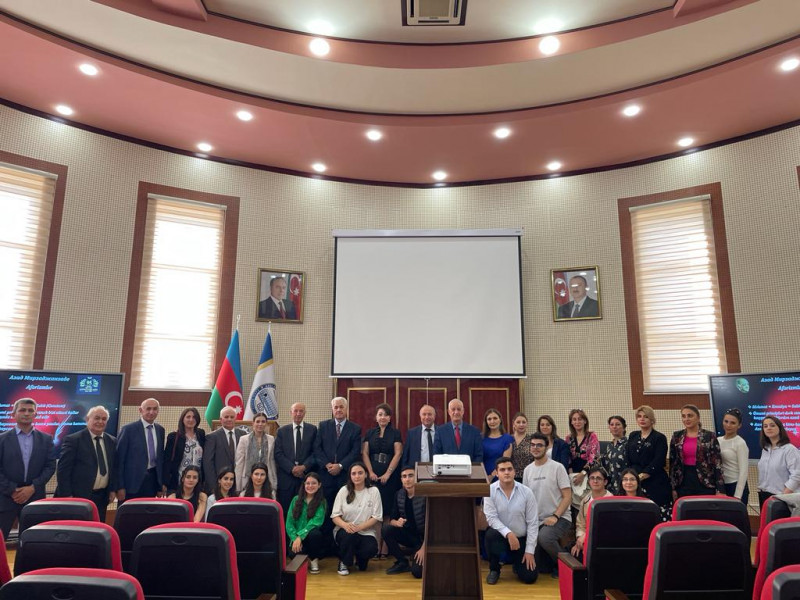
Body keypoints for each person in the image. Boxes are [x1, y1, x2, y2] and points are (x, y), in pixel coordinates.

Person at [0, 398, 56, 538]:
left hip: (34, 496)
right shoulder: (2, 439)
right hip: (6, 498)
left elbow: (50, 466)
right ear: (13, 414)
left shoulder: (46, 439)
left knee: (33, 540)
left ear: (35, 415)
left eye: (30, 410)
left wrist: (32, 488)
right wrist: (12, 490)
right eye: (22, 410)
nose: (26, 413)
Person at [55, 405, 117, 522]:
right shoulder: (73, 440)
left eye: (104, 419)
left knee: (96, 531)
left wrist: (112, 490)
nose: (100, 421)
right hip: (77, 497)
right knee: (77, 531)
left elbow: (113, 468)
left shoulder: (112, 441)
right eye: (97, 418)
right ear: (88, 419)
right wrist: (67, 496)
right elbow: (63, 470)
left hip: (102, 497)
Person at [522, 432, 572, 578]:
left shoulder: (557, 467)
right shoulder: (527, 470)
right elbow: (527, 499)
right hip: (537, 521)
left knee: (544, 537)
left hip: (560, 517)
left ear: (546, 447)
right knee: (535, 570)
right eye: (532, 445)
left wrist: (555, 516)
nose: (535, 448)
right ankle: (550, 562)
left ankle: (564, 565)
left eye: (539, 445)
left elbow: (567, 496)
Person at [483, 457, 539, 585]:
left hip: (520, 540)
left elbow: (533, 523)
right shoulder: (489, 491)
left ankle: (517, 565)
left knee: (530, 578)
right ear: (497, 473)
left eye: (509, 469)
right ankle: (494, 569)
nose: (506, 472)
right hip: (500, 538)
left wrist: (530, 551)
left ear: (514, 472)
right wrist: (509, 533)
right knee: (491, 534)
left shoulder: (527, 492)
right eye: (502, 470)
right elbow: (491, 518)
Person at [314, 397, 362, 532]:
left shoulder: (355, 428)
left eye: (341, 407)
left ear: (346, 409)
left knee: (344, 511)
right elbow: (317, 449)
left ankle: (341, 545)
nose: (339, 410)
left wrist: (340, 466)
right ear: (332, 409)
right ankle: (326, 546)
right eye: (336, 407)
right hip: (326, 476)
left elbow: (355, 452)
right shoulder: (323, 426)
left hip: (344, 477)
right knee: (326, 510)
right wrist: (327, 465)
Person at [362, 403, 402, 556]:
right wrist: (370, 472)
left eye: (385, 414)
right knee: (374, 512)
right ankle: (375, 546)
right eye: (380, 414)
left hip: (389, 477)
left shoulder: (395, 433)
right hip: (372, 476)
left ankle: (385, 548)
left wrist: (388, 474)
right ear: (376, 417)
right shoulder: (370, 433)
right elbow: (365, 453)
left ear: (390, 418)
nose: (382, 417)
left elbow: (398, 453)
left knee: (386, 512)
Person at [331, 462, 383, 576]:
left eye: (360, 473)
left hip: (365, 531)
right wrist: (346, 526)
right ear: (350, 476)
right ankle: (344, 562)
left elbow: (376, 517)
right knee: (349, 536)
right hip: (345, 530)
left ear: (366, 475)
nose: (357, 476)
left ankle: (360, 559)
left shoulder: (373, 491)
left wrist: (359, 527)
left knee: (371, 549)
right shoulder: (344, 490)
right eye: (353, 473)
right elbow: (335, 516)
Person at [668, 404, 725, 499]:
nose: (686, 419)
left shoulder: (709, 436)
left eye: (690, 415)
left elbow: (717, 464)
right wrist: (672, 487)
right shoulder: (676, 436)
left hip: (705, 482)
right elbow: (673, 463)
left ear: (698, 417)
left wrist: (720, 489)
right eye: (683, 416)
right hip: (683, 482)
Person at [116, 397, 165, 502]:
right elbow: (119, 460)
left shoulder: (160, 430)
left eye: (155, 409)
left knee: (147, 516)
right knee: (128, 516)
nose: (151, 412)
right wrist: (119, 486)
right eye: (148, 409)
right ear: (140, 410)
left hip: (152, 482)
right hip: (131, 484)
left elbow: (160, 459)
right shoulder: (128, 430)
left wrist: (160, 485)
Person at [626, 405, 670, 520]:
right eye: (639, 416)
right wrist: (632, 477)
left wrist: (642, 475)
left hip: (655, 481)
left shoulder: (659, 437)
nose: (642, 419)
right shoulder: (633, 435)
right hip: (636, 482)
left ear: (652, 420)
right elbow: (628, 458)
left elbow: (659, 460)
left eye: (645, 417)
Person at [275, 402, 318, 515]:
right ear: (291, 413)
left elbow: (316, 452)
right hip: (286, 479)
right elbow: (278, 453)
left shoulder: (312, 430)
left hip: (306, 478)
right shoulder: (282, 431)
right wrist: (292, 468)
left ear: (305, 413)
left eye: (301, 411)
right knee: (285, 511)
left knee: (305, 511)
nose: (298, 414)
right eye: (296, 411)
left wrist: (304, 467)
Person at [383, 466, 426, 578]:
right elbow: (392, 518)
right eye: (404, 476)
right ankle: (402, 562)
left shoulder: (425, 495)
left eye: (410, 476)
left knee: (417, 573)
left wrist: (424, 548)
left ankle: (424, 556)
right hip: (408, 536)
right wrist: (396, 523)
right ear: (401, 479)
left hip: (424, 540)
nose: (407, 479)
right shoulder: (399, 494)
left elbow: (433, 526)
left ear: (416, 477)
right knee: (386, 529)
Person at [286, 472, 327, 574]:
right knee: (294, 556)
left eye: (313, 483)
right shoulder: (295, 499)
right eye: (307, 483)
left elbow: (316, 522)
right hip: (297, 540)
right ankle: (304, 559)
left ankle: (313, 559)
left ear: (319, 485)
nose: (310, 486)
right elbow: (289, 523)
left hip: (311, 539)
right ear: (304, 484)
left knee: (315, 534)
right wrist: (295, 538)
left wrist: (300, 536)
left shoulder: (322, 502)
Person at [757, 415, 800, 507]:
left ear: (779, 428)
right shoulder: (765, 450)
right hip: (764, 495)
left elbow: (797, 475)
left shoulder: (789, 449)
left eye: (772, 425)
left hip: (782, 497)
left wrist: (783, 495)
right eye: (765, 426)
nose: (768, 428)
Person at [571, 466, 613, 559]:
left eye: (599, 478)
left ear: (605, 482)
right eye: (592, 478)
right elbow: (580, 524)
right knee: (572, 552)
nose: (595, 481)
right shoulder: (585, 500)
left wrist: (586, 537)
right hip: (585, 541)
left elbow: (606, 527)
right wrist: (579, 539)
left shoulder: (611, 501)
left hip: (604, 543)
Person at [203, 405, 245, 494]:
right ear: (221, 419)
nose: (229, 419)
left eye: (232, 417)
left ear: (236, 419)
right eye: (226, 417)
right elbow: (208, 463)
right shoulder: (212, 437)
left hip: (238, 485)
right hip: (218, 486)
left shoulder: (243, 435)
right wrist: (214, 486)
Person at [164, 407, 205, 494]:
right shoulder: (173, 437)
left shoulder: (201, 435)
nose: (191, 419)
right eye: (188, 417)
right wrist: (164, 482)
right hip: (178, 480)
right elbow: (167, 461)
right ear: (182, 419)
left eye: (194, 417)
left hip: (197, 481)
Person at [234, 412, 277, 497]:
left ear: (266, 423)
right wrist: (238, 485)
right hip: (247, 478)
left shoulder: (271, 439)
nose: (260, 424)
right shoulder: (244, 439)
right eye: (257, 421)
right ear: (253, 423)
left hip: (265, 477)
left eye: (263, 421)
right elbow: (239, 463)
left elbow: (272, 462)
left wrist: (274, 482)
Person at [719, 408, 750, 504]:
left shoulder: (740, 443)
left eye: (733, 423)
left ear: (739, 425)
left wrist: (737, 496)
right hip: (722, 486)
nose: (728, 425)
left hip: (736, 486)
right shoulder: (717, 440)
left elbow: (744, 471)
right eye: (726, 421)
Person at [593, 415, 628, 495]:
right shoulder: (609, 446)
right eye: (612, 425)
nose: (614, 427)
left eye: (618, 424)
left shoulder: (628, 444)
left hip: (625, 485)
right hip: (611, 487)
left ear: (624, 427)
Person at [564, 409, 600, 486]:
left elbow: (594, 457)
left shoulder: (592, 436)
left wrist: (583, 473)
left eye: (580, 419)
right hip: (572, 474)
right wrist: (571, 475)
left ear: (585, 421)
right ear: (571, 422)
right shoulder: (568, 438)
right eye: (574, 419)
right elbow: (567, 457)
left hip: (589, 472)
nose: (577, 422)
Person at [481, 409, 513, 481]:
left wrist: (492, 476)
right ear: (486, 422)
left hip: (501, 477)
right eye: (489, 419)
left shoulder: (507, 439)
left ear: (500, 420)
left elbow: (505, 462)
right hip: (483, 478)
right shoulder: (481, 439)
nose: (492, 421)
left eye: (495, 418)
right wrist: (486, 477)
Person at [510, 412, 534, 482]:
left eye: (523, 422)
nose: (521, 425)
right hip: (511, 477)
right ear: (514, 424)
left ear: (527, 424)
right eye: (518, 422)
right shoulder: (508, 439)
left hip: (528, 477)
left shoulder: (531, 440)